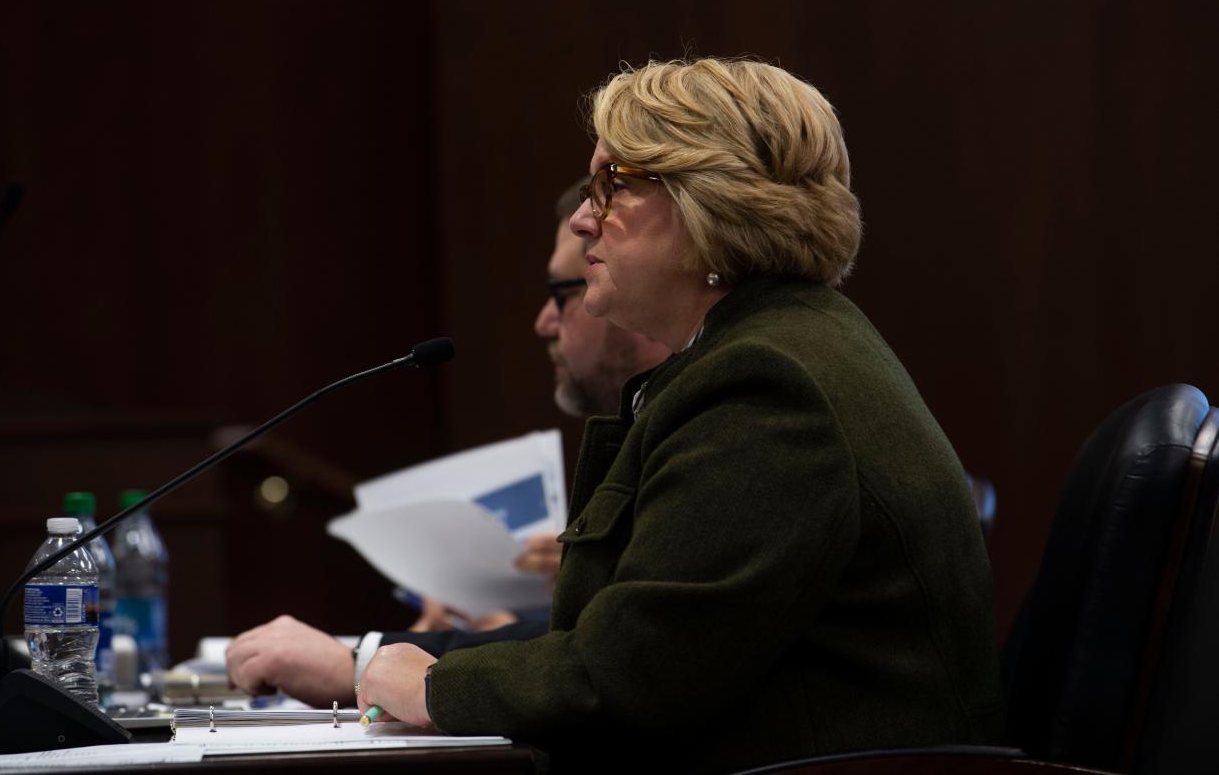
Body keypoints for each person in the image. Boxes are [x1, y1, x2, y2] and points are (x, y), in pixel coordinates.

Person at [357, 58, 1002, 773]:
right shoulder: (782, 346)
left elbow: (630, 679)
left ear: (712, 205)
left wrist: (431, 685)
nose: (581, 215)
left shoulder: (765, 387)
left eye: (613, 185)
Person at [225, 181, 670, 708]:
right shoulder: (648, 420)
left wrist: (371, 664)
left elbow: (627, 666)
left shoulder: (723, 407)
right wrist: (486, 630)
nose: (542, 322)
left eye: (562, 292)